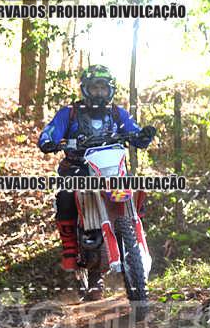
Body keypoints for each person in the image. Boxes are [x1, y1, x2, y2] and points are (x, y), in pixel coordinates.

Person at [38, 65, 156, 299]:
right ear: (85, 89)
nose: (99, 93)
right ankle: (70, 249)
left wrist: (143, 135)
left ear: (110, 90)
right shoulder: (70, 113)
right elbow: (50, 132)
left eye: (103, 88)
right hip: (78, 168)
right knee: (65, 196)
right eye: (95, 88)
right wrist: (49, 141)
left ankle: (134, 227)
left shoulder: (117, 113)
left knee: (137, 189)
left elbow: (135, 133)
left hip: (112, 167)